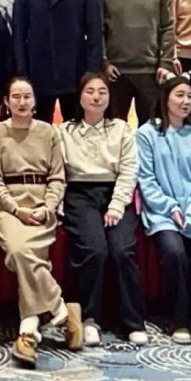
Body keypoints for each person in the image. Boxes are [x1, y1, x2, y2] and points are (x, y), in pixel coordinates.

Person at [0, 76, 84, 366]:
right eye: (16, 97)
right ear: (6, 101)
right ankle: (62, 310)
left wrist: (48, 207)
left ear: (35, 101)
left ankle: (28, 330)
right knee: (19, 250)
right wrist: (15, 209)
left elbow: (57, 177)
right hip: (7, 206)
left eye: (27, 96)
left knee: (29, 253)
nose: (22, 102)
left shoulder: (48, 132)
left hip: (41, 203)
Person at [136, 75, 191, 354]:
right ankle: (179, 320)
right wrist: (170, 207)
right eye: (179, 95)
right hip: (162, 212)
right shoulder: (147, 133)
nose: (186, 101)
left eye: (189, 96)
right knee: (174, 252)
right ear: (165, 98)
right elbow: (146, 178)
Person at [59, 73, 144, 347]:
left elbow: (129, 170)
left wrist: (117, 205)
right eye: (90, 91)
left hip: (115, 191)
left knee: (122, 250)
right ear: (80, 96)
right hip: (79, 194)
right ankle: (89, 318)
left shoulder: (121, 129)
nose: (96, 97)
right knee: (94, 249)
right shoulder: (64, 132)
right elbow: (58, 172)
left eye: (102, 92)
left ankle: (133, 321)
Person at [12, 0, 104, 123]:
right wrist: (22, 72)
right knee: (38, 128)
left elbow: (95, 32)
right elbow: (18, 35)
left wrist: (92, 70)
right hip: (37, 73)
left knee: (77, 127)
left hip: (75, 72)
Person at [98, 0, 178, 123]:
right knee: (114, 127)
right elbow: (98, 31)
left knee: (151, 128)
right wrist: (105, 63)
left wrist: (165, 63)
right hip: (116, 72)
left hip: (151, 72)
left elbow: (168, 28)